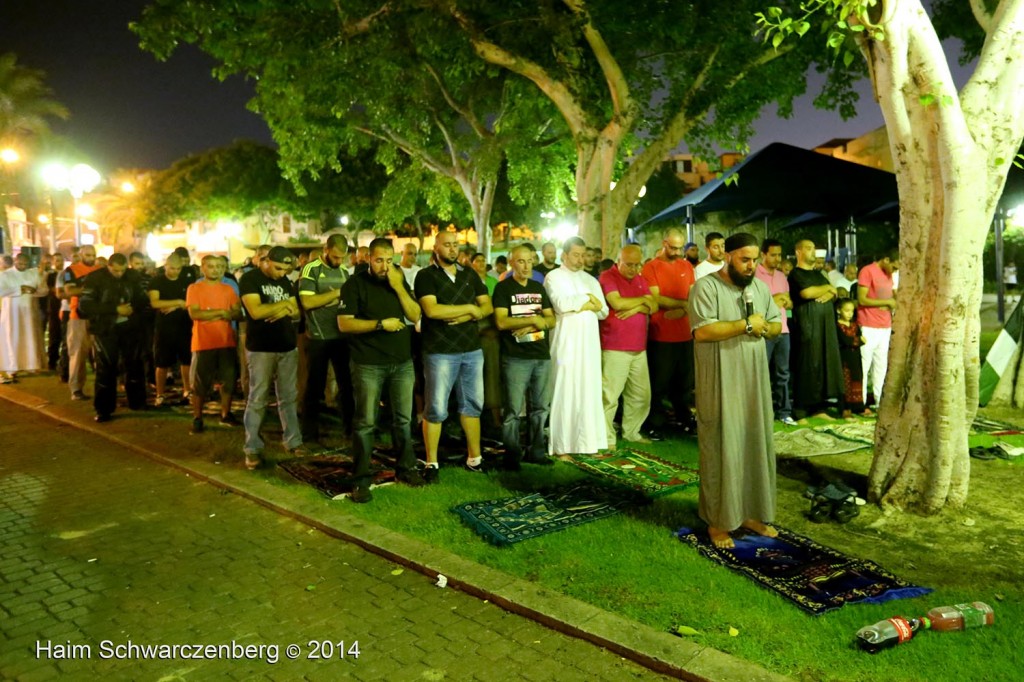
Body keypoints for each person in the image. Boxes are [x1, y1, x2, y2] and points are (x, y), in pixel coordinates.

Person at [690, 232, 781, 549]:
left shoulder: (759, 287)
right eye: (745, 259)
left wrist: (764, 326)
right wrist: (745, 325)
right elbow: (702, 332)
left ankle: (750, 513)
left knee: (753, 445)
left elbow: (775, 325)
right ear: (728, 256)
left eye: (755, 259)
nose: (751, 265)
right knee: (721, 446)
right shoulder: (706, 287)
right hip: (720, 381)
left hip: (754, 383)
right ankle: (718, 522)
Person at [338, 238, 427, 501]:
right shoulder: (354, 285)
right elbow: (345, 324)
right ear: (368, 258)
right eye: (379, 260)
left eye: (389, 260)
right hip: (368, 363)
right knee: (366, 422)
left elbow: (414, 315)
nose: (385, 266)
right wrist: (380, 324)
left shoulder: (398, 281)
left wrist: (399, 287)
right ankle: (361, 479)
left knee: (403, 420)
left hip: (401, 362)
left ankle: (406, 469)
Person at [415, 230, 492, 481]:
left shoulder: (469, 274)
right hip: (440, 351)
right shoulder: (425, 276)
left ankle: (474, 459)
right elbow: (432, 310)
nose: (452, 249)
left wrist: (462, 314)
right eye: (446, 245)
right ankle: (432, 463)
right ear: (435, 248)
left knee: (473, 405)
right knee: (436, 408)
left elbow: (487, 306)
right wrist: (470, 309)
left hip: (471, 349)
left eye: (455, 245)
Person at [240, 246, 311, 470]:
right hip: (261, 348)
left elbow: (298, 312)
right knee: (257, 398)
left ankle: (293, 441)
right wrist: (284, 306)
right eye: (278, 268)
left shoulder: (285, 281)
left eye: (285, 270)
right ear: (266, 261)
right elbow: (256, 312)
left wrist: (279, 309)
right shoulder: (250, 278)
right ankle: (252, 449)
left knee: (288, 397)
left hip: (287, 346)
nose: (282, 273)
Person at [492, 245, 556, 469]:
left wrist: (538, 322)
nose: (527, 266)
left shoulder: (538, 287)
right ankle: (511, 455)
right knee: (512, 410)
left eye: (530, 261)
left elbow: (550, 320)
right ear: (512, 263)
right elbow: (501, 322)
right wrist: (533, 321)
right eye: (521, 261)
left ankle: (536, 452)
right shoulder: (503, 288)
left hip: (540, 355)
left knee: (540, 408)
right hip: (515, 357)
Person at [544, 236, 609, 457]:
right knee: (565, 390)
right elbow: (562, 304)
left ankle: (589, 444)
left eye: (583, 255)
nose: (581, 259)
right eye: (576, 255)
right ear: (565, 255)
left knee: (588, 390)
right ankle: (562, 447)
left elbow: (603, 310)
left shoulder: (591, 279)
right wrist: (588, 300)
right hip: (566, 343)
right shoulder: (553, 277)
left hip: (589, 344)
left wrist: (585, 302)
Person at [78, 253, 149, 422]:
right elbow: (85, 305)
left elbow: (143, 299)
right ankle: (104, 409)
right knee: (106, 368)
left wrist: (134, 310)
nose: (119, 274)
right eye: (116, 271)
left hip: (130, 327)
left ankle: (137, 401)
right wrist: (115, 309)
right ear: (109, 266)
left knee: (135, 364)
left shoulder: (133, 276)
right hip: (106, 328)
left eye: (122, 270)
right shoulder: (95, 278)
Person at [298, 234, 353, 444]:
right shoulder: (311, 269)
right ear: (326, 250)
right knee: (315, 387)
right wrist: (337, 293)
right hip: (319, 337)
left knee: (347, 386)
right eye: (336, 257)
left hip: (341, 336)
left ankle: (349, 429)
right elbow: (308, 302)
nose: (339, 261)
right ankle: (309, 434)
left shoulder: (344, 271)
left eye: (342, 258)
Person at [599, 244, 657, 447]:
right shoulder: (608, 276)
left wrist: (635, 308)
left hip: (639, 348)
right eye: (628, 264)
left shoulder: (640, 279)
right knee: (610, 396)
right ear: (618, 262)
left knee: (641, 394)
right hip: (615, 347)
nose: (633, 269)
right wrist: (643, 303)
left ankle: (632, 432)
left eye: (636, 264)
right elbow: (617, 304)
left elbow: (655, 305)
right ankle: (606, 437)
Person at [642, 228, 697, 438]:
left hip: (685, 334)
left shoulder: (686, 266)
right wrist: (684, 305)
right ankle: (654, 422)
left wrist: (681, 307)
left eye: (679, 248)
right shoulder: (651, 267)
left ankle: (684, 420)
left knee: (684, 383)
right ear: (664, 243)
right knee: (659, 384)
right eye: (672, 247)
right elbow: (656, 299)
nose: (676, 252)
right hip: (661, 336)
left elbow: (693, 295)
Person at [186, 255, 242, 434]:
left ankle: (225, 414)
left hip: (226, 341)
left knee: (229, 381)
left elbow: (237, 313)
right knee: (201, 384)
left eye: (219, 266)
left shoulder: (229, 289)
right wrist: (222, 313)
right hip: (203, 342)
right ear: (203, 268)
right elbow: (195, 314)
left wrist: (212, 313)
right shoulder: (194, 288)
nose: (215, 269)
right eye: (211, 266)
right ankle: (197, 417)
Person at [788, 239, 844, 418]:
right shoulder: (795, 274)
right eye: (809, 248)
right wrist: (827, 288)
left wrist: (829, 290)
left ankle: (819, 408)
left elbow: (835, 293)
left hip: (825, 329)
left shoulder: (819, 274)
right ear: (798, 252)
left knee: (823, 364)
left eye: (814, 248)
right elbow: (807, 293)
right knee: (807, 365)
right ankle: (801, 409)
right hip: (807, 327)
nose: (814, 252)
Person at [755, 239, 797, 425]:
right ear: (763, 254)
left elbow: (789, 303)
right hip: (763, 330)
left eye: (779, 255)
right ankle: (761, 412)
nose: (777, 258)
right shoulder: (755, 274)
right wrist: (775, 300)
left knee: (783, 373)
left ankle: (784, 411)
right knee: (760, 373)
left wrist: (786, 302)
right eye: (773, 255)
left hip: (783, 330)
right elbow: (754, 303)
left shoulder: (781, 276)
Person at [149, 254, 194, 406]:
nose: (175, 271)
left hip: (184, 325)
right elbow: (155, 302)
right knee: (162, 363)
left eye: (178, 269)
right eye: (172, 268)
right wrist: (179, 302)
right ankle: (160, 393)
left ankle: (187, 390)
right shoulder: (157, 281)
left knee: (186, 360)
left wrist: (174, 305)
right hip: (164, 327)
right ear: (165, 266)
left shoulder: (186, 281)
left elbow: (191, 301)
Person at [857, 250, 898, 408]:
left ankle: (879, 400)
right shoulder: (867, 271)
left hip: (885, 325)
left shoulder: (889, 275)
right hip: (868, 324)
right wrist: (887, 302)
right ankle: (860, 401)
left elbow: (890, 296)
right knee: (864, 365)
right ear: (886, 259)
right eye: (894, 267)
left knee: (881, 365)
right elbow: (862, 299)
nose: (895, 271)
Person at [61, 245, 102, 400]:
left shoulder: (100, 270)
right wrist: (91, 290)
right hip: (78, 316)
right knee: (78, 354)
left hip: (98, 316)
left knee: (100, 354)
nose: (91, 258)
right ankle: (76, 389)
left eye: (93, 255)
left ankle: (102, 386)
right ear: (81, 254)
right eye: (88, 255)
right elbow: (69, 291)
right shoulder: (71, 270)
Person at [0, 253, 48, 383]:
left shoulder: (33, 273)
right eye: (20, 264)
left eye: (25, 264)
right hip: (12, 313)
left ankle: (30, 364)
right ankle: (12, 368)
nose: (22, 266)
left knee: (29, 337)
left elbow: (43, 290)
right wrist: (20, 289)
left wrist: (34, 291)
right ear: (15, 261)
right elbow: (1, 291)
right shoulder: (5, 274)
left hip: (29, 312)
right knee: (12, 337)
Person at [835, 298, 869, 418]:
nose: (850, 313)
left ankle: (858, 406)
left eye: (852, 311)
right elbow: (845, 340)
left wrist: (857, 341)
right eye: (847, 310)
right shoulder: (837, 325)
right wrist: (859, 341)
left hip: (855, 357)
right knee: (846, 382)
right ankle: (846, 408)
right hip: (844, 358)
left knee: (857, 380)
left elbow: (859, 338)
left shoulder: (855, 325)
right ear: (839, 310)